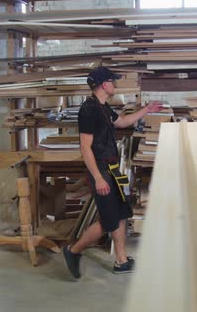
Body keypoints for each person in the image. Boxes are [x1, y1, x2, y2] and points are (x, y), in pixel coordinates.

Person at [63, 66, 161, 279]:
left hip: (113, 168)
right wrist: (98, 177)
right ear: (104, 84)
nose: (115, 84)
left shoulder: (103, 107)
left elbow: (123, 122)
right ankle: (73, 251)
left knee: (122, 213)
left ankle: (122, 261)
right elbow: (85, 147)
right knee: (110, 220)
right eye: (113, 81)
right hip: (100, 170)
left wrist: (147, 110)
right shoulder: (88, 110)